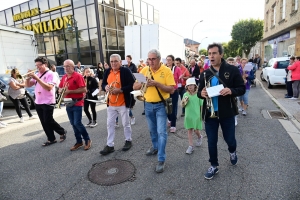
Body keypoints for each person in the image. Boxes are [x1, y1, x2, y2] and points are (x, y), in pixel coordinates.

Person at [198, 43, 245, 180]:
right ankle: (214, 165)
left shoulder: (232, 70)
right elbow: (199, 93)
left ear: (221, 54)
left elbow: (241, 88)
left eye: (214, 53)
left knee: (229, 139)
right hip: (210, 113)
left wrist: (231, 91)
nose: (211, 56)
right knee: (211, 141)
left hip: (227, 113)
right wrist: (202, 93)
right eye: (209, 54)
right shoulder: (205, 73)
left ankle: (232, 151)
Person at [133, 49, 175, 173]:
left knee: (161, 132)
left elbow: (171, 90)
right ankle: (155, 147)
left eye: (153, 59)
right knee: (152, 130)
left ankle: (161, 159)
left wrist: (157, 84)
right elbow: (134, 86)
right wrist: (143, 82)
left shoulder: (166, 70)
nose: (150, 61)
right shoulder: (144, 70)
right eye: (149, 59)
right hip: (148, 105)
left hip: (161, 105)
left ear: (159, 59)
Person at [26, 57, 67, 146]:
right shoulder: (37, 74)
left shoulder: (51, 74)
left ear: (45, 64)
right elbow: (28, 85)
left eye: (39, 65)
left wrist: (36, 78)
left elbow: (49, 87)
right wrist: (28, 78)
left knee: (48, 120)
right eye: (36, 65)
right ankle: (51, 138)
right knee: (43, 122)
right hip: (38, 101)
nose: (37, 67)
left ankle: (62, 131)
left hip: (48, 101)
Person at [100, 54, 135, 155]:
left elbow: (132, 85)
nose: (113, 63)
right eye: (112, 62)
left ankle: (128, 140)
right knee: (110, 124)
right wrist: (105, 87)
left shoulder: (125, 71)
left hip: (123, 103)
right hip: (111, 103)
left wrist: (120, 90)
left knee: (126, 124)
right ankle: (110, 145)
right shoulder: (107, 71)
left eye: (116, 61)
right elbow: (103, 84)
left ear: (120, 62)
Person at [59, 59, 92, 151]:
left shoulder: (78, 76)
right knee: (73, 124)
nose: (66, 68)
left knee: (77, 123)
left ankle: (87, 139)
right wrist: (60, 90)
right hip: (68, 103)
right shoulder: (64, 77)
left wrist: (70, 91)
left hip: (77, 102)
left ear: (73, 67)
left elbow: (84, 89)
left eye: (68, 66)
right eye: (65, 66)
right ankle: (79, 142)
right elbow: (60, 87)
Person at [181, 78, 203, 154]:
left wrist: (201, 114)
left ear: (195, 86)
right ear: (186, 87)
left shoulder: (198, 94)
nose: (190, 87)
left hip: (196, 115)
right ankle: (191, 146)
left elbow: (201, 105)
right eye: (188, 85)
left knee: (196, 130)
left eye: (191, 85)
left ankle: (199, 136)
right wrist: (184, 102)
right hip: (188, 115)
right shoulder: (185, 94)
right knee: (189, 130)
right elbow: (183, 105)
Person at [166, 55, 180, 133]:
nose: (168, 61)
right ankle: (170, 119)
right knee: (168, 108)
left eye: (170, 60)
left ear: (173, 61)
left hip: (174, 91)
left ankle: (173, 125)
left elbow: (179, 79)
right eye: (167, 60)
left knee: (173, 107)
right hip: (167, 91)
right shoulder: (164, 69)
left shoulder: (177, 69)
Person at [124, 55, 137, 125]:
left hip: (131, 83)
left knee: (130, 97)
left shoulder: (133, 65)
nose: (127, 60)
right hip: (125, 84)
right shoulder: (124, 66)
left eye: (128, 59)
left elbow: (135, 73)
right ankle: (116, 121)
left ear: (130, 59)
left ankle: (132, 116)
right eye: (126, 59)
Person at [227, 57, 238, 126]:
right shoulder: (224, 70)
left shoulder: (236, 70)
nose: (231, 63)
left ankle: (235, 117)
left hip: (233, 90)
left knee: (234, 104)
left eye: (232, 62)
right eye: (229, 62)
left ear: (234, 63)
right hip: (226, 90)